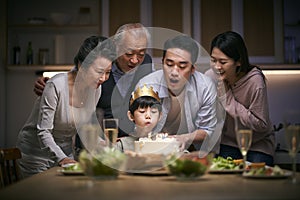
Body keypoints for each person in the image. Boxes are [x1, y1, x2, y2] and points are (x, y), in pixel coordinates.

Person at [16, 36, 116, 177]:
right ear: (81, 65)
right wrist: (62, 158)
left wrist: (108, 146)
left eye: (108, 73)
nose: (103, 78)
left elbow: (84, 128)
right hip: (36, 156)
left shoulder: (95, 89)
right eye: (99, 72)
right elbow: (43, 132)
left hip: (66, 156)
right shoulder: (56, 85)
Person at [33, 23, 154, 138]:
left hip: (130, 140)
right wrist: (48, 83)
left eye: (141, 54)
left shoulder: (147, 63)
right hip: (96, 139)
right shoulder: (101, 61)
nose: (135, 60)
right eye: (129, 53)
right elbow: (74, 76)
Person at [135, 35, 218, 153]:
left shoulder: (205, 87)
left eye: (182, 66)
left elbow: (208, 130)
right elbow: (138, 130)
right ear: (162, 62)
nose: (174, 72)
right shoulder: (147, 86)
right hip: (151, 151)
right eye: (169, 64)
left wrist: (184, 138)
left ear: (193, 68)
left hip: (192, 151)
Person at [205, 31, 275, 166]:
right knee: (224, 179)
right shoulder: (210, 77)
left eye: (223, 62)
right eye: (213, 60)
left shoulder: (255, 82)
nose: (217, 67)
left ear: (238, 62)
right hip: (229, 143)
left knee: (257, 179)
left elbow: (261, 124)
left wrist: (227, 98)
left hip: (257, 144)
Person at [115, 84, 162, 152]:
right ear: (131, 115)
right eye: (142, 111)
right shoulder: (122, 145)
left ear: (160, 116)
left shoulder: (163, 142)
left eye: (153, 112)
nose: (148, 116)